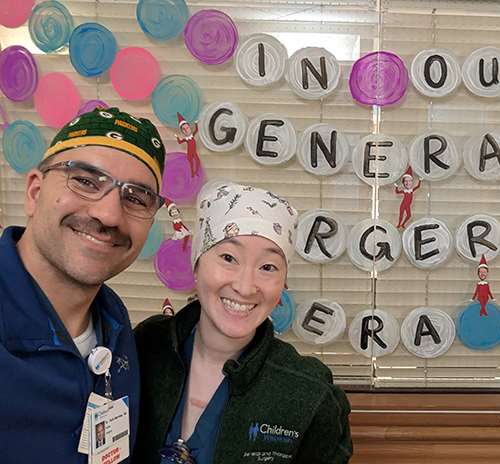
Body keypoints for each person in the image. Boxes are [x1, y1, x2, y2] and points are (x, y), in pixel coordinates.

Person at [134, 182, 353, 464]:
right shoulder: (144, 347)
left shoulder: (308, 391)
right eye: (228, 258)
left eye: (267, 267)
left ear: (282, 284)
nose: (245, 287)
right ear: (197, 264)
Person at [0, 107, 166, 463]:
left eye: (136, 198)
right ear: (35, 191)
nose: (109, 214)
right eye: (86, 181)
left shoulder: (115, 321)